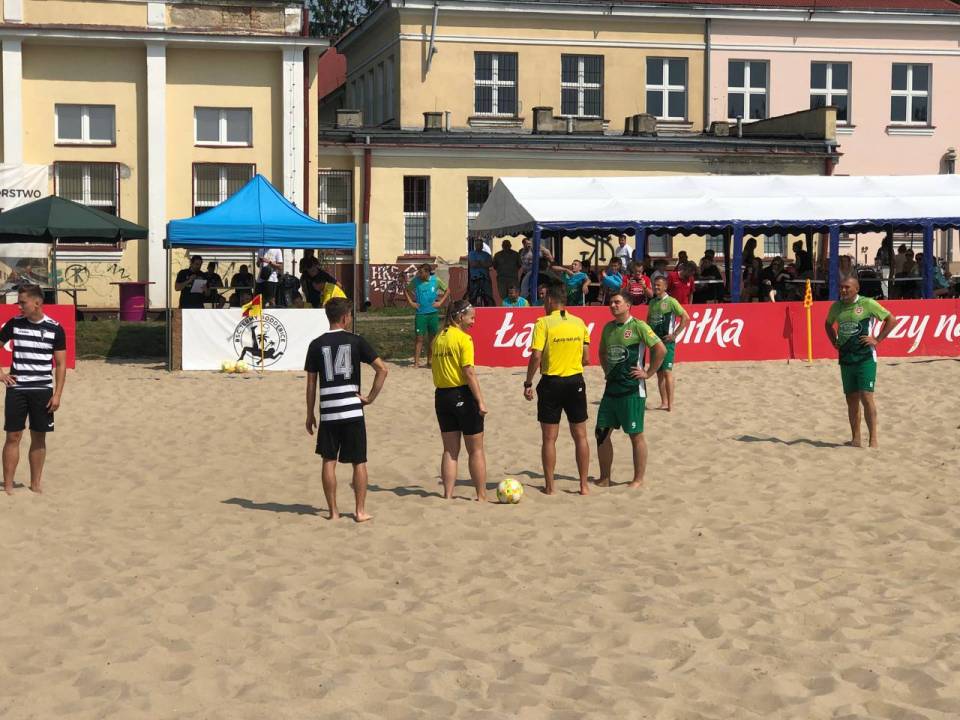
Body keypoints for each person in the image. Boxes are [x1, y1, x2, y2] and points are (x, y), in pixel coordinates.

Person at [304, 297, 388, 521]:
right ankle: (360, 511)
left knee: (328, 461)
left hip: (328, 410)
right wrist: (370, 398)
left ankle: (333, 512)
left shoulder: (316, 344)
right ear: (344, 317)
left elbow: (311, 384)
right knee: (358, 461)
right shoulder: (356, 341)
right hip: (352, 409)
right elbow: (382, 370)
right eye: (349, 315)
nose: (350, 318)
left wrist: (309, 413)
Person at [523, 285, 591, 496]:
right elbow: (587, 358)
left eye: (544, 299)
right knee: (580, 436)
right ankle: (583, 485)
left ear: (551, 301)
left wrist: (528, 382)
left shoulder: (543, 323)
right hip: (575, 381)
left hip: (552, 382)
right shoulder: (579, 322)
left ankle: (550, 487)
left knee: (549, 438)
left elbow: (536, 356)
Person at [0, 285, 67, 495]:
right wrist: (0, 373)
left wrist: (57, 394)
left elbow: (61, 364)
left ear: (37, 303)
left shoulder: (55, 328)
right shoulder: (14, 324)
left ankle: (35, 484)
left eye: (23, 302)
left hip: (42, 391)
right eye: (18, 302)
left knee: (39, 437)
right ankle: (8, 485)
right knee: (13, 436)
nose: (19, 306)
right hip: (17, 389)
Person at [595, 292, 665, 488]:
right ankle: (605, 477)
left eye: (617, 302)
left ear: (628, 305)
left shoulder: (638, 326)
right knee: (601, 433)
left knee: (635, 435)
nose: (613, 305)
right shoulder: (608, 328)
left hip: (632, 390)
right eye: (611, 302)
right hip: (611, 389)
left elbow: (661, 349)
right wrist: (607, 370)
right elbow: (602, 352)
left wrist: (648, 373)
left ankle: (638, 479)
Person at [824, 277, 894, 448]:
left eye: (847, 287)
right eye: (841, 287)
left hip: (865, 357)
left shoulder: (867, 303)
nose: (843, 290)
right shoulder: (836, 306)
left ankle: (873, 440)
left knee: (866, 396)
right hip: (846, 357)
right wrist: (834, 341)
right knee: (851, 398)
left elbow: (891, 320)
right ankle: (856, 439)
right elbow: (827, 325)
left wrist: (877, 339)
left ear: (856, 289)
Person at [431, 300, 488, 501]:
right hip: (461, 394)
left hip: (442, 396)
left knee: (450, 450)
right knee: (476, 450)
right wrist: (480, 401)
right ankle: (481, 495)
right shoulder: (464, 339)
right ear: (460, 317)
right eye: (471, 318)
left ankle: (448, 494)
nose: (473, 322)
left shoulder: (438, 337)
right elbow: (468, 372)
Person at [646, 276, 690, 412]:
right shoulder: (652, 302)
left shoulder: (671, 301)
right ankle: (664, 403)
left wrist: (674, 335)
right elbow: (648, 321)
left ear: (665, 287)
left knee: (667, 371)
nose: (656, 287)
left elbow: (686, 318)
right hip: (655, 343)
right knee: (659, 373)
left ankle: (670, 404)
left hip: (667, 342)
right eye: (654, 285)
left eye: (659, 285)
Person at [405, 263, 449, 368]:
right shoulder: (416, 281)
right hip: (420, 314)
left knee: (432, 339)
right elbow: (406, 290)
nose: (419, 274)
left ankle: (429, 361)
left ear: (428, 272)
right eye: (419, 272)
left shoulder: (435, 280)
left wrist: (440, 302)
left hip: (433, 313)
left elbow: (448, 290)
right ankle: (416, 362)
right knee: (419, 338)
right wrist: (411, 303)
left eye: (421, 272)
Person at [492, 239, 522, 303]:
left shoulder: (516, 254)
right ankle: (506, 306)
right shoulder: (497, 255)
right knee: (503, 294)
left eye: (507, 245)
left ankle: (514, 306)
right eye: (504, 245)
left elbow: (519, 265)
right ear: (502, 246)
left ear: (510, 246)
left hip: (512, 278)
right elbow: (494, 266)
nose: (506, 246)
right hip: (502, 278)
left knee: (513, 294)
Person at [467, 239, 494, 307]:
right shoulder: (471, 254)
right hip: (474, 278)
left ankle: (490, 310)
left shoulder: (487, 254)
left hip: (485, 278)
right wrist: (483, 263)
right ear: (475, 246)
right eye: (477, 245)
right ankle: (472, 309)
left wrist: (479, 263)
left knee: (488, 296)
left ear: (482, 246)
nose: (478, 246)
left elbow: (490, 264)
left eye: (480, 245)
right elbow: (472, 264)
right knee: (473, 296)